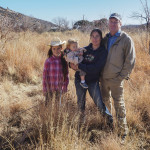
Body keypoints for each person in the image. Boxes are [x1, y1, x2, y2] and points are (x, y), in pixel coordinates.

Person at [101, 13, 136, 140]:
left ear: (120, 23)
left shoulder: (126, 39)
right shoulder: (104, 39)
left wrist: (121, 77)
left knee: (119, 105)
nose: (113, 24)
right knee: (105, 104)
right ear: (108, 24)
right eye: (111, 21)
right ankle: (109, 127)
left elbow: (130, 60)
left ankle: (122, 132)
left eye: (116, 21)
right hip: (104, 78)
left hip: (117, 79)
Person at [70, 28, 113, 125]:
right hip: (80, 80)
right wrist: (71, 65)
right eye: (93, 36)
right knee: (81, 103)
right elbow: (73, 58)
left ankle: (110, 121)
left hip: (93, 81)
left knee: (99, 103)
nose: (95, 38)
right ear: (90, 38)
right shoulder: (84, 49)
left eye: (97, 36)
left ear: (101, 38)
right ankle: (81, 124)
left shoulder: (103, 52)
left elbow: (95, 68)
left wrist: (79, 66)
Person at [42, 37, 69, 106]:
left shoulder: (64, 60)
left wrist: (65, 86)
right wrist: (45, 88)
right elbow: (45, 76)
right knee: (48, 105)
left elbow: (66, 75)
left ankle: (56, 115)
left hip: (59, 87)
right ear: (51, 49)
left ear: (61, 48)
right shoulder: (48, 61)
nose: (56, 50)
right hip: (49, 87)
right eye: (54, 49)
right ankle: (47, 116)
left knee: (58, 105)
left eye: (58, 48)